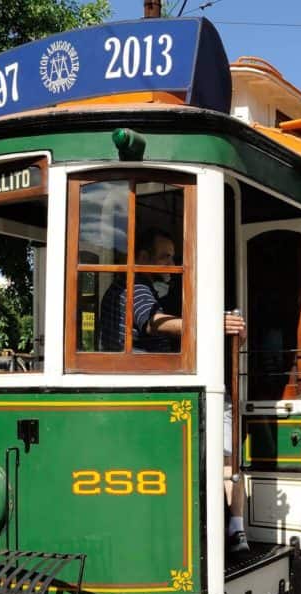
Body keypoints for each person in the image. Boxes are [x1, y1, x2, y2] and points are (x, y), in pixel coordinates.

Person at [98, 230, 250, 555]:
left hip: (131, 393)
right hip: (154, 390)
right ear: (141, 258)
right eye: (164, 256)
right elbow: (152, 322)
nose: (172, 263)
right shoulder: (136, 287)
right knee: (226, 455)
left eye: (173, 256)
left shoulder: (124, 289)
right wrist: (213, 323)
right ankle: (230, 529)